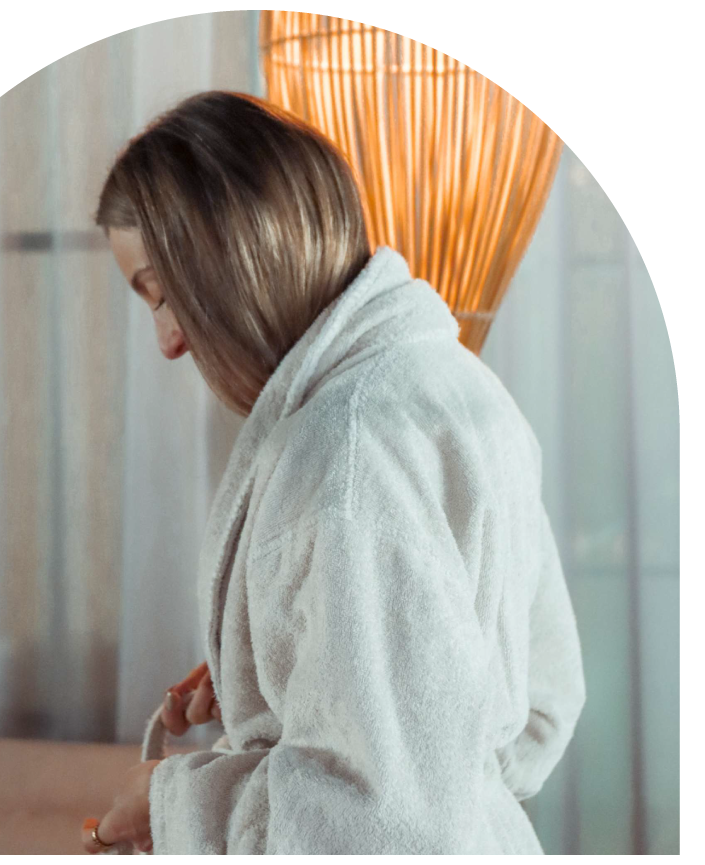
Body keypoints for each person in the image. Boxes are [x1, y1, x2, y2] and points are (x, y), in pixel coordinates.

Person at [82, 90, 586, 855]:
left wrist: (171, 801)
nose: (168, 342)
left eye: (161, 292)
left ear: (226, 261)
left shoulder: (342, 458)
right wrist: (287, 663)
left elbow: (375, 822)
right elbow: (538, 702)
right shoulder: (453, 387)